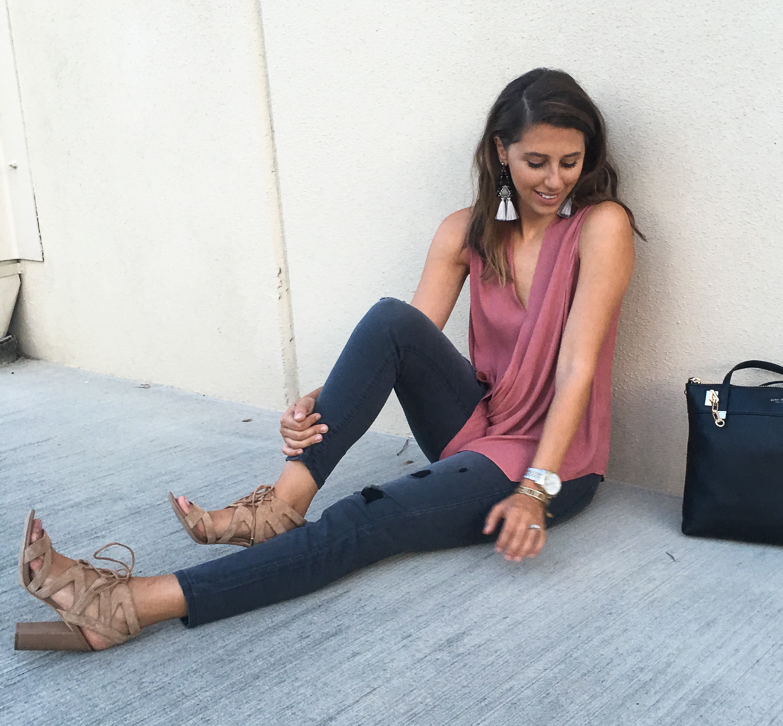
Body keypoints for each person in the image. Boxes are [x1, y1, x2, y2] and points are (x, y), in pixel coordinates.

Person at [16, 69, 639, 653]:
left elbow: (576, 369)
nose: (554, 180)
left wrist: (535, 490)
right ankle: (281, 506)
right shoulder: (466, 231)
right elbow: (401, 345)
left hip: (551, 461)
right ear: (501, 151)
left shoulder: (599, 226)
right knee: (392, 318)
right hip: (481, 424)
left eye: (570, 162)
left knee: (367, 518)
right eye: (536, 162)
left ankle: (130, 605)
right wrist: (323, 401)